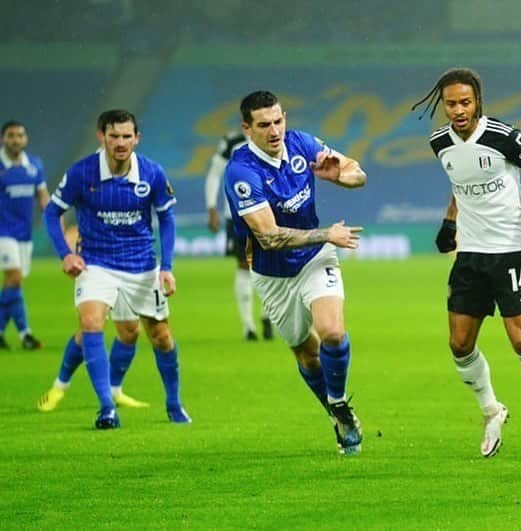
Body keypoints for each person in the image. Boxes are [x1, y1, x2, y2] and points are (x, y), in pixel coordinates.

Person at [412, 68, 521, 460]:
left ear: (478, 100)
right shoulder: (439, 142)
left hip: (510, 249)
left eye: (465, 102)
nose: (458, 110)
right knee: (460, 344)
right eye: (451, 103)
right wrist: (449, 220)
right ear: (442, 105)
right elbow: (461, 185)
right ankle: (492, 410)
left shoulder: (504, 136)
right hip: (470, 254)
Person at [224, 90, 366, 455]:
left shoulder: (301, 142)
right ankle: (335, 411)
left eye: (278, 121)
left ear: (284, 117)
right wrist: (327, 233)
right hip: (272, 274)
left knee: (332, 331)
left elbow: (353, 169)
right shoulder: (241, 171)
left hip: (315, 258)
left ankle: (339, 404)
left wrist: (347, 177)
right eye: (263, 125)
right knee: (306, 353)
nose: (274, 131)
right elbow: (269, 238)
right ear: (247, 128)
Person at [42, 109, 191, 429]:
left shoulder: (151, 173)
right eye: (114, 136)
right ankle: (106, 408)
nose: (121, 143)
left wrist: (166, 267)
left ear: (137, 138)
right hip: (96, 264)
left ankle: (174, 402)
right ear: (102, 137)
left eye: (127, 136)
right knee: (90, 322)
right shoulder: (83, 173)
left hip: (141, 266)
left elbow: (166, 218)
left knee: (161, 336)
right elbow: (51, 213)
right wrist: (65, 254)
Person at [205, 129, 273, 341]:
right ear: (246, 124)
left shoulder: (276, 139)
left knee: (271, 265)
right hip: (237, 216)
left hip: (269, 213)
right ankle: (248, 326)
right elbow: (215, 174)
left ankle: (267, 315)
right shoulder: (232, 142)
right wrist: (211, 208)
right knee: (244, 266)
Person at [36, 300, 150, 412]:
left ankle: (115, 391)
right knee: (89, 326)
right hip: (98, 281)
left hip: (126, 280)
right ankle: (59, 387)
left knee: (130, 331)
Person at [0, 120, 49, 350]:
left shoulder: (34, 165)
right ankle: (26, 334)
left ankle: (9, 333)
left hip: (24, 234)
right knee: (15, 278)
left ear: (26, 139)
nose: (16, 139)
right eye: (11, 135)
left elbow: (42, 195)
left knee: (13, 285)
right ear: (3, 139)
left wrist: (52, 218)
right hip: (3, 232)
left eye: (20, 135)